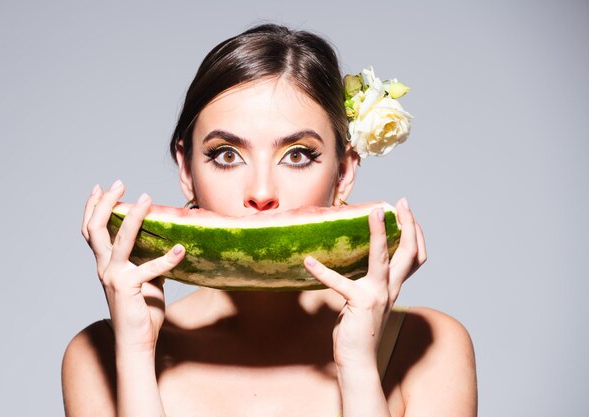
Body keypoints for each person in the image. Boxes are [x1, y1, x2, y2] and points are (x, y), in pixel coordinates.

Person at [61, 23, 477, 417]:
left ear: (345, 172)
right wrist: (135, 350)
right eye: (227, 155)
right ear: (187, 171)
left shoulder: (429, 346)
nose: (261, 193)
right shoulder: (97, 353)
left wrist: (358, 365)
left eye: (297, 155)